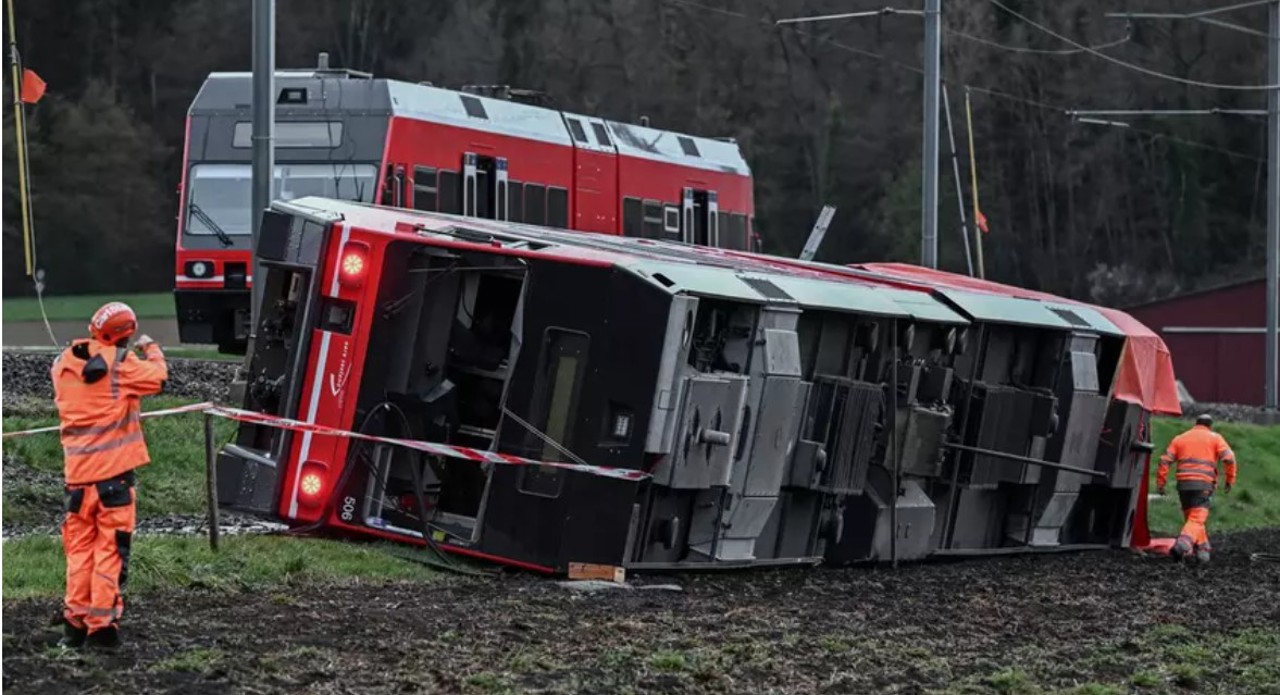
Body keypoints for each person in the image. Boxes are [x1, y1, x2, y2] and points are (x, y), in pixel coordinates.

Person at [51, 302, 167, 650]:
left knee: (79, 553)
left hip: (77, 482)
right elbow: (158, 378)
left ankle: (75, 624)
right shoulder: (122, 364)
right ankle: (101, 629)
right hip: (114, 482)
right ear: (125, 336)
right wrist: (151, 348)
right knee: (109, 553)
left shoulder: (63, 364)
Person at [1156, 414, 1237, 564]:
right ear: (1210, 425)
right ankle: (1182, 545)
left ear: (1196, 423)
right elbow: (1229, 459)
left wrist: (1161, 483)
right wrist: (1230, 480)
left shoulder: (1180, 438)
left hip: (1184, 486)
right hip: (1203, 485)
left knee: (1193, 520)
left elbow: (1164, 461)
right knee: (1196, 519)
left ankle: (1203, 550)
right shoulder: (1215, 438)